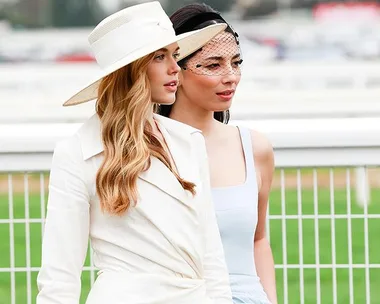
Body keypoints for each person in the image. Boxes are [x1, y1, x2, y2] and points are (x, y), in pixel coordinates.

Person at [36, 2, 233, 304]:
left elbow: (212, 257)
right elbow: (59, 276)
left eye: (175, 55)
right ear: (131, 70)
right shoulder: (77, 153)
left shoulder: (188, 141)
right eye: (159, 56)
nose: (174, 68)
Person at [157, 3, 277, 304]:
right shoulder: (146, 150)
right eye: (213, 65)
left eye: (236, 63)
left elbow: (258, 240)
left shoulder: (255, 148)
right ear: (175, 71)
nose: (231, 76)